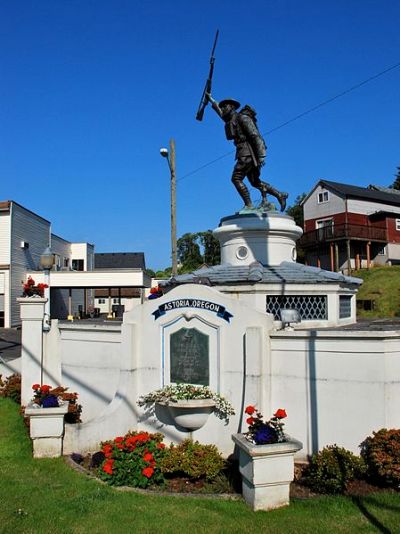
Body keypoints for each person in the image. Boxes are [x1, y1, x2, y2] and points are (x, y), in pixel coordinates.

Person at [206, 93, 287, 211]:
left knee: (236, 178)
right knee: (254, 182)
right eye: (222, 107)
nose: (223, 109)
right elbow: (220, 113)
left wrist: (261, 155)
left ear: (232, 107)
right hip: (245, 153)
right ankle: (279, 194)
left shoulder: (242, 118)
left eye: (225, 106)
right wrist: (211, 99)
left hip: (248, 153)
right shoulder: (231, 119)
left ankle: (249, 205)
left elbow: (255, 136)